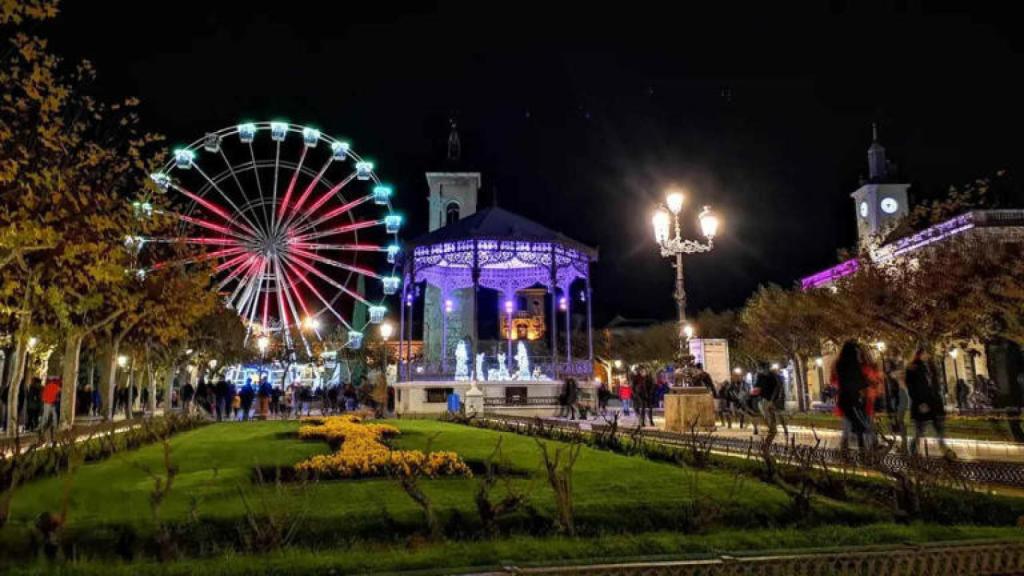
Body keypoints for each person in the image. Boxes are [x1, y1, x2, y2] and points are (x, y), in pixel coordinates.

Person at [831, 341, 881, 452]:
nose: (859, 354)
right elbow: (855, 381)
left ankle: (857, 449)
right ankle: (861, 449)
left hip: (850, 400)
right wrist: (867, 384)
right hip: (853, 400)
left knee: (856, 427)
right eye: (857, 352)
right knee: (860, 426)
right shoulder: (850, 365)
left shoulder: (841, 364)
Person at [906, 347, 952, 457]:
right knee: (920, 430)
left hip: (933, 402)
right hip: (922, 403)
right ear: (919, 354)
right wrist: (920, 402)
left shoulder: (929, 367)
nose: (927, 355)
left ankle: (944, 449)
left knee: (939, 427)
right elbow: (912, 388)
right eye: (925, 353)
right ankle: (913, 449)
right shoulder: (913, 368)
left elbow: (933, 386)